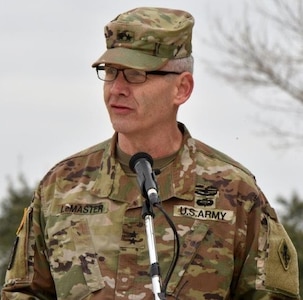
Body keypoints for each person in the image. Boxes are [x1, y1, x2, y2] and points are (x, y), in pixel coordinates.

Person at [1, 6, 300, 300]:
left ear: (181, 88)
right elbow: (22, 293)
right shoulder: (62, 187)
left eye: (135, 75)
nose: (116, 88)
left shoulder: (235, 193)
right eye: (110, 72)